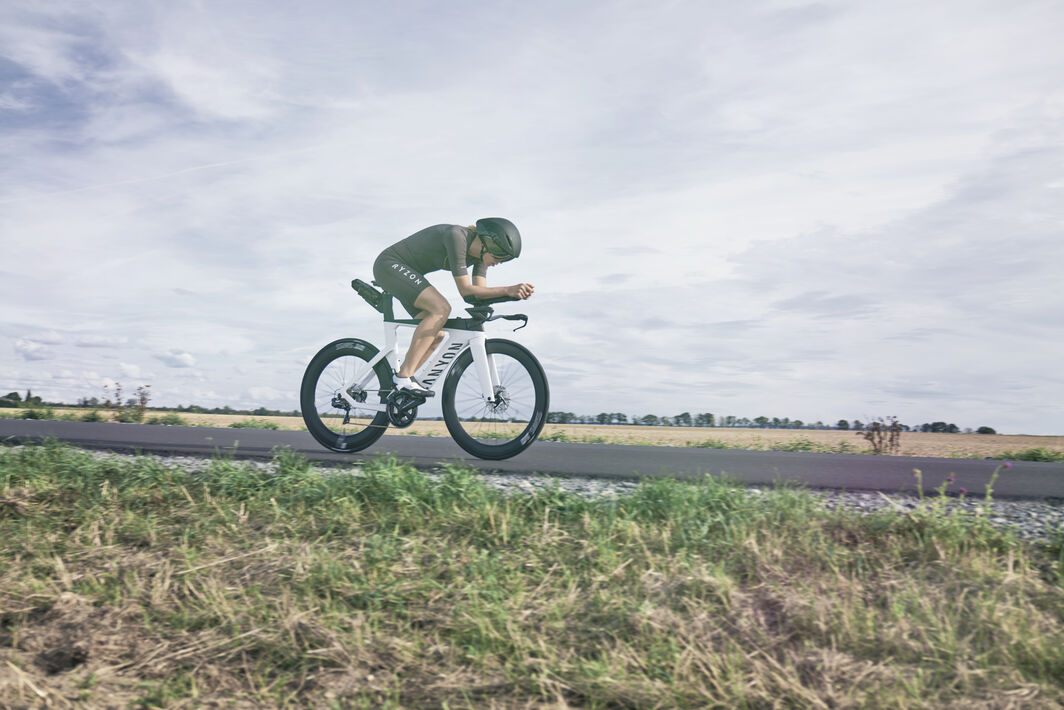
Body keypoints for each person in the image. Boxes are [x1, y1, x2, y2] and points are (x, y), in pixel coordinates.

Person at [372, 218, 534, 396]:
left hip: (408, 274)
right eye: (500, 257)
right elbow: (466, 291)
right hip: (389, 265)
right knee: (441, 309)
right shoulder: (457, 237)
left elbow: (478, 295)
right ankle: (403, 379)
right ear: (488, 245)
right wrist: (507, 289)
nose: (500, 263)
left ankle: (397, 387)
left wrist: (511, 296)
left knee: (436, 335)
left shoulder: (480, 257)